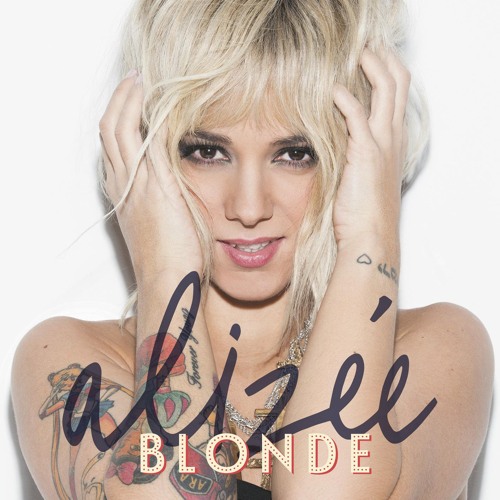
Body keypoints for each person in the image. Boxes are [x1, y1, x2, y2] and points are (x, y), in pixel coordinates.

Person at [11, 0, 493, 498]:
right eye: (207, 151)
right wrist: (166, 273)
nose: (248, 207)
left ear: (357, 154)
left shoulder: (434, 354)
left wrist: (370, 238)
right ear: (146, 150)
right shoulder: (75, 367)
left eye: (295, 153)